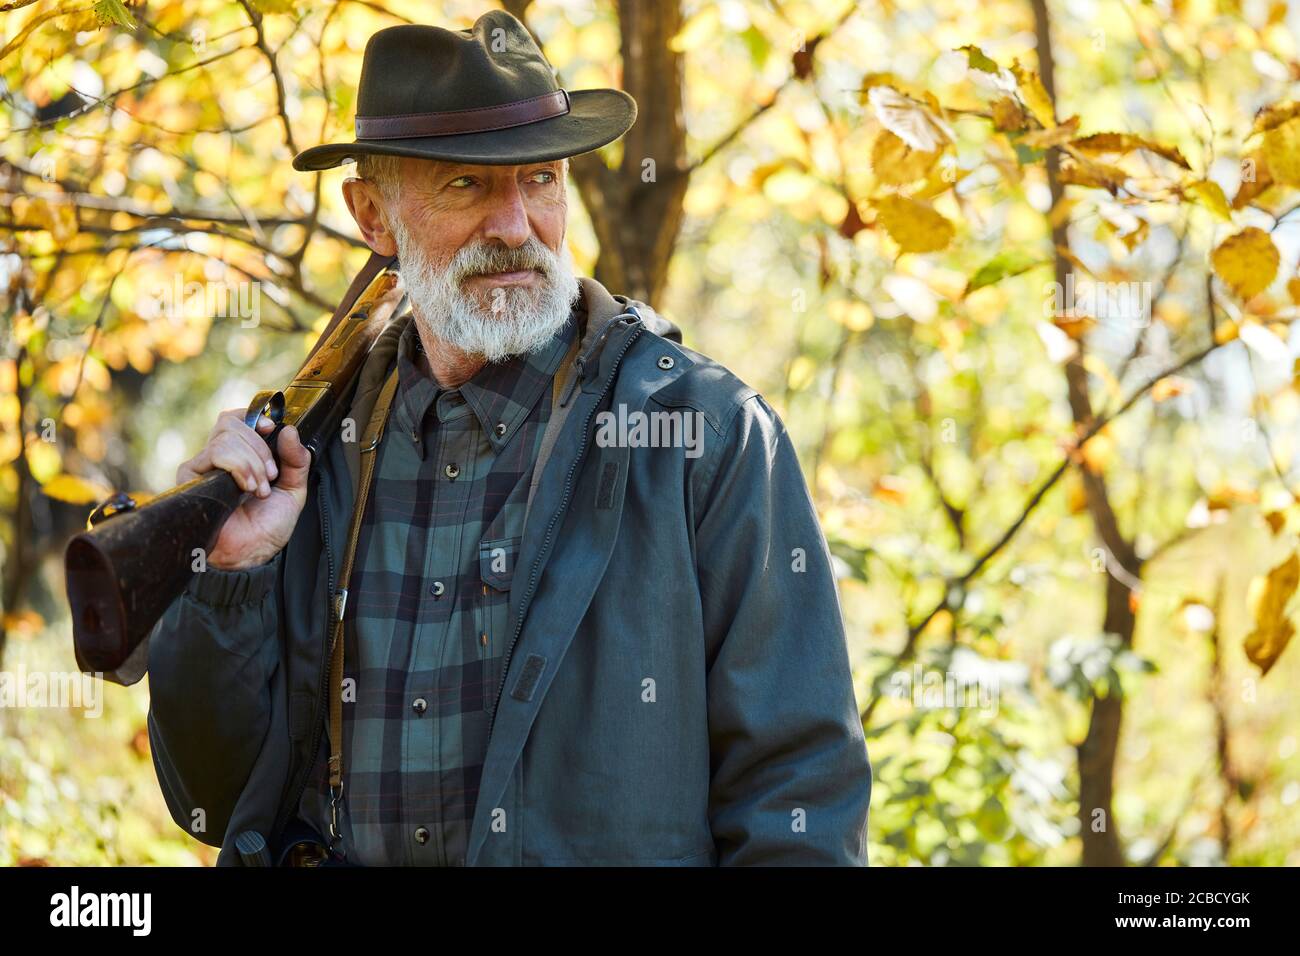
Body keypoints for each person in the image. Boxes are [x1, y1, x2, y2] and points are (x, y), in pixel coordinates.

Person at [140, 10, 871, 866]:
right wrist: (225, 577)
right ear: (372, 216)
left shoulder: (706, 438)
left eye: (541, 179)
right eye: (466, 186)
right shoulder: (306, 455)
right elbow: (215, 801)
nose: (517, 226)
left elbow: (799, 802)